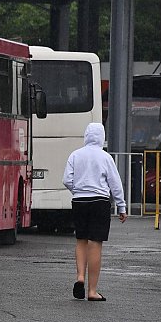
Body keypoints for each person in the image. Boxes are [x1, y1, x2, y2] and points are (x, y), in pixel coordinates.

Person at [63, 122, 127, 302]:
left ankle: (80, 277)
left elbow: (66, 179)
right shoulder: (105, 157)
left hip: (79, 201)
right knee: (95, 243)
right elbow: (115, 184)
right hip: (99, 201)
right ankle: (92, 291)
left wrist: (77, 190)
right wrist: (121, 206)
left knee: (81, 240)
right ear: (102, 137)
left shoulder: (75, 155)